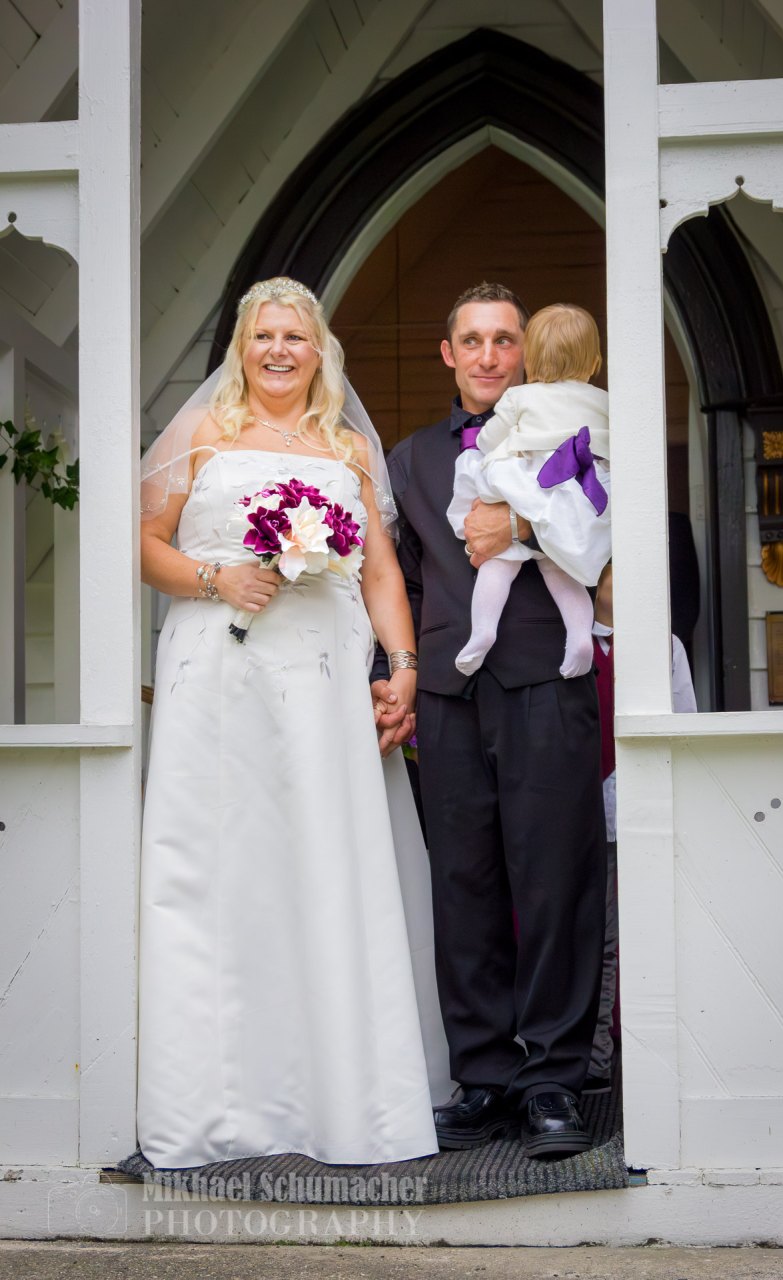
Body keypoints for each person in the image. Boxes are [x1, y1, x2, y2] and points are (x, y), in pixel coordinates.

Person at [137, 276, 449, 1169]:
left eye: (295, 337)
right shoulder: (203, 432)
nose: (278, 350)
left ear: (320, 352)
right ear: (242, 347)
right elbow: (142, 543)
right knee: (224, 865)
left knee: (324, 859)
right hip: (220, 672)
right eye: (263, 335)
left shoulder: (346, 447)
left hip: (322, 677)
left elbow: (379, 571)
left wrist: (403, 667)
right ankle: (216, 1103)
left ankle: (345, 1094)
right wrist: (216, 578)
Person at [372, 283, 609, 1158]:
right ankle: (482, 1076)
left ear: (526, 352)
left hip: (548, 679)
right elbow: (396, 579)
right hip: (447, 694)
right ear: (447, 353)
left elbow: (610, 535)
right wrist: (392, 676)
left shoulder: (577, 430)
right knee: (462, 886)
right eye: (470, 340)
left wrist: (525, 527)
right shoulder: (409, 459)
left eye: (503, 339)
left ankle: (552, 1080)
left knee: (554, 882)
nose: (487, 355)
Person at [447, 304, 610, 679]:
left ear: (529, 359)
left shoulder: (519, 397)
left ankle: (483, 631)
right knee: (564, 569)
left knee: (498, 563)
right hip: (576, 496)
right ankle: (580, 636)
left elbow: (488, 438)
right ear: (595, 361)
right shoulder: (605, 402)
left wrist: (484, 446)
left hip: (528, 488)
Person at [587, 561, 696, 1093]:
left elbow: (685, 722)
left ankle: (662, 1055)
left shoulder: (664, 646)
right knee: (597, 939)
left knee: (654, 932)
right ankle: (595, 1058)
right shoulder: (571, 638)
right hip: (583, 810)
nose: (619, 577)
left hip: (643, 807)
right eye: (609, 568)